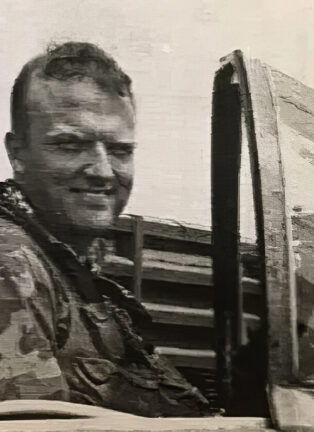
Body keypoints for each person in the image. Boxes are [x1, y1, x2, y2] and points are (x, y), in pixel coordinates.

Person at [0, 42, 212, 417]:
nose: (102, 171)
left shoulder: (68, 264)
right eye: (69, 145)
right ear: (17, 153)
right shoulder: (11, 264)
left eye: (119, 150)